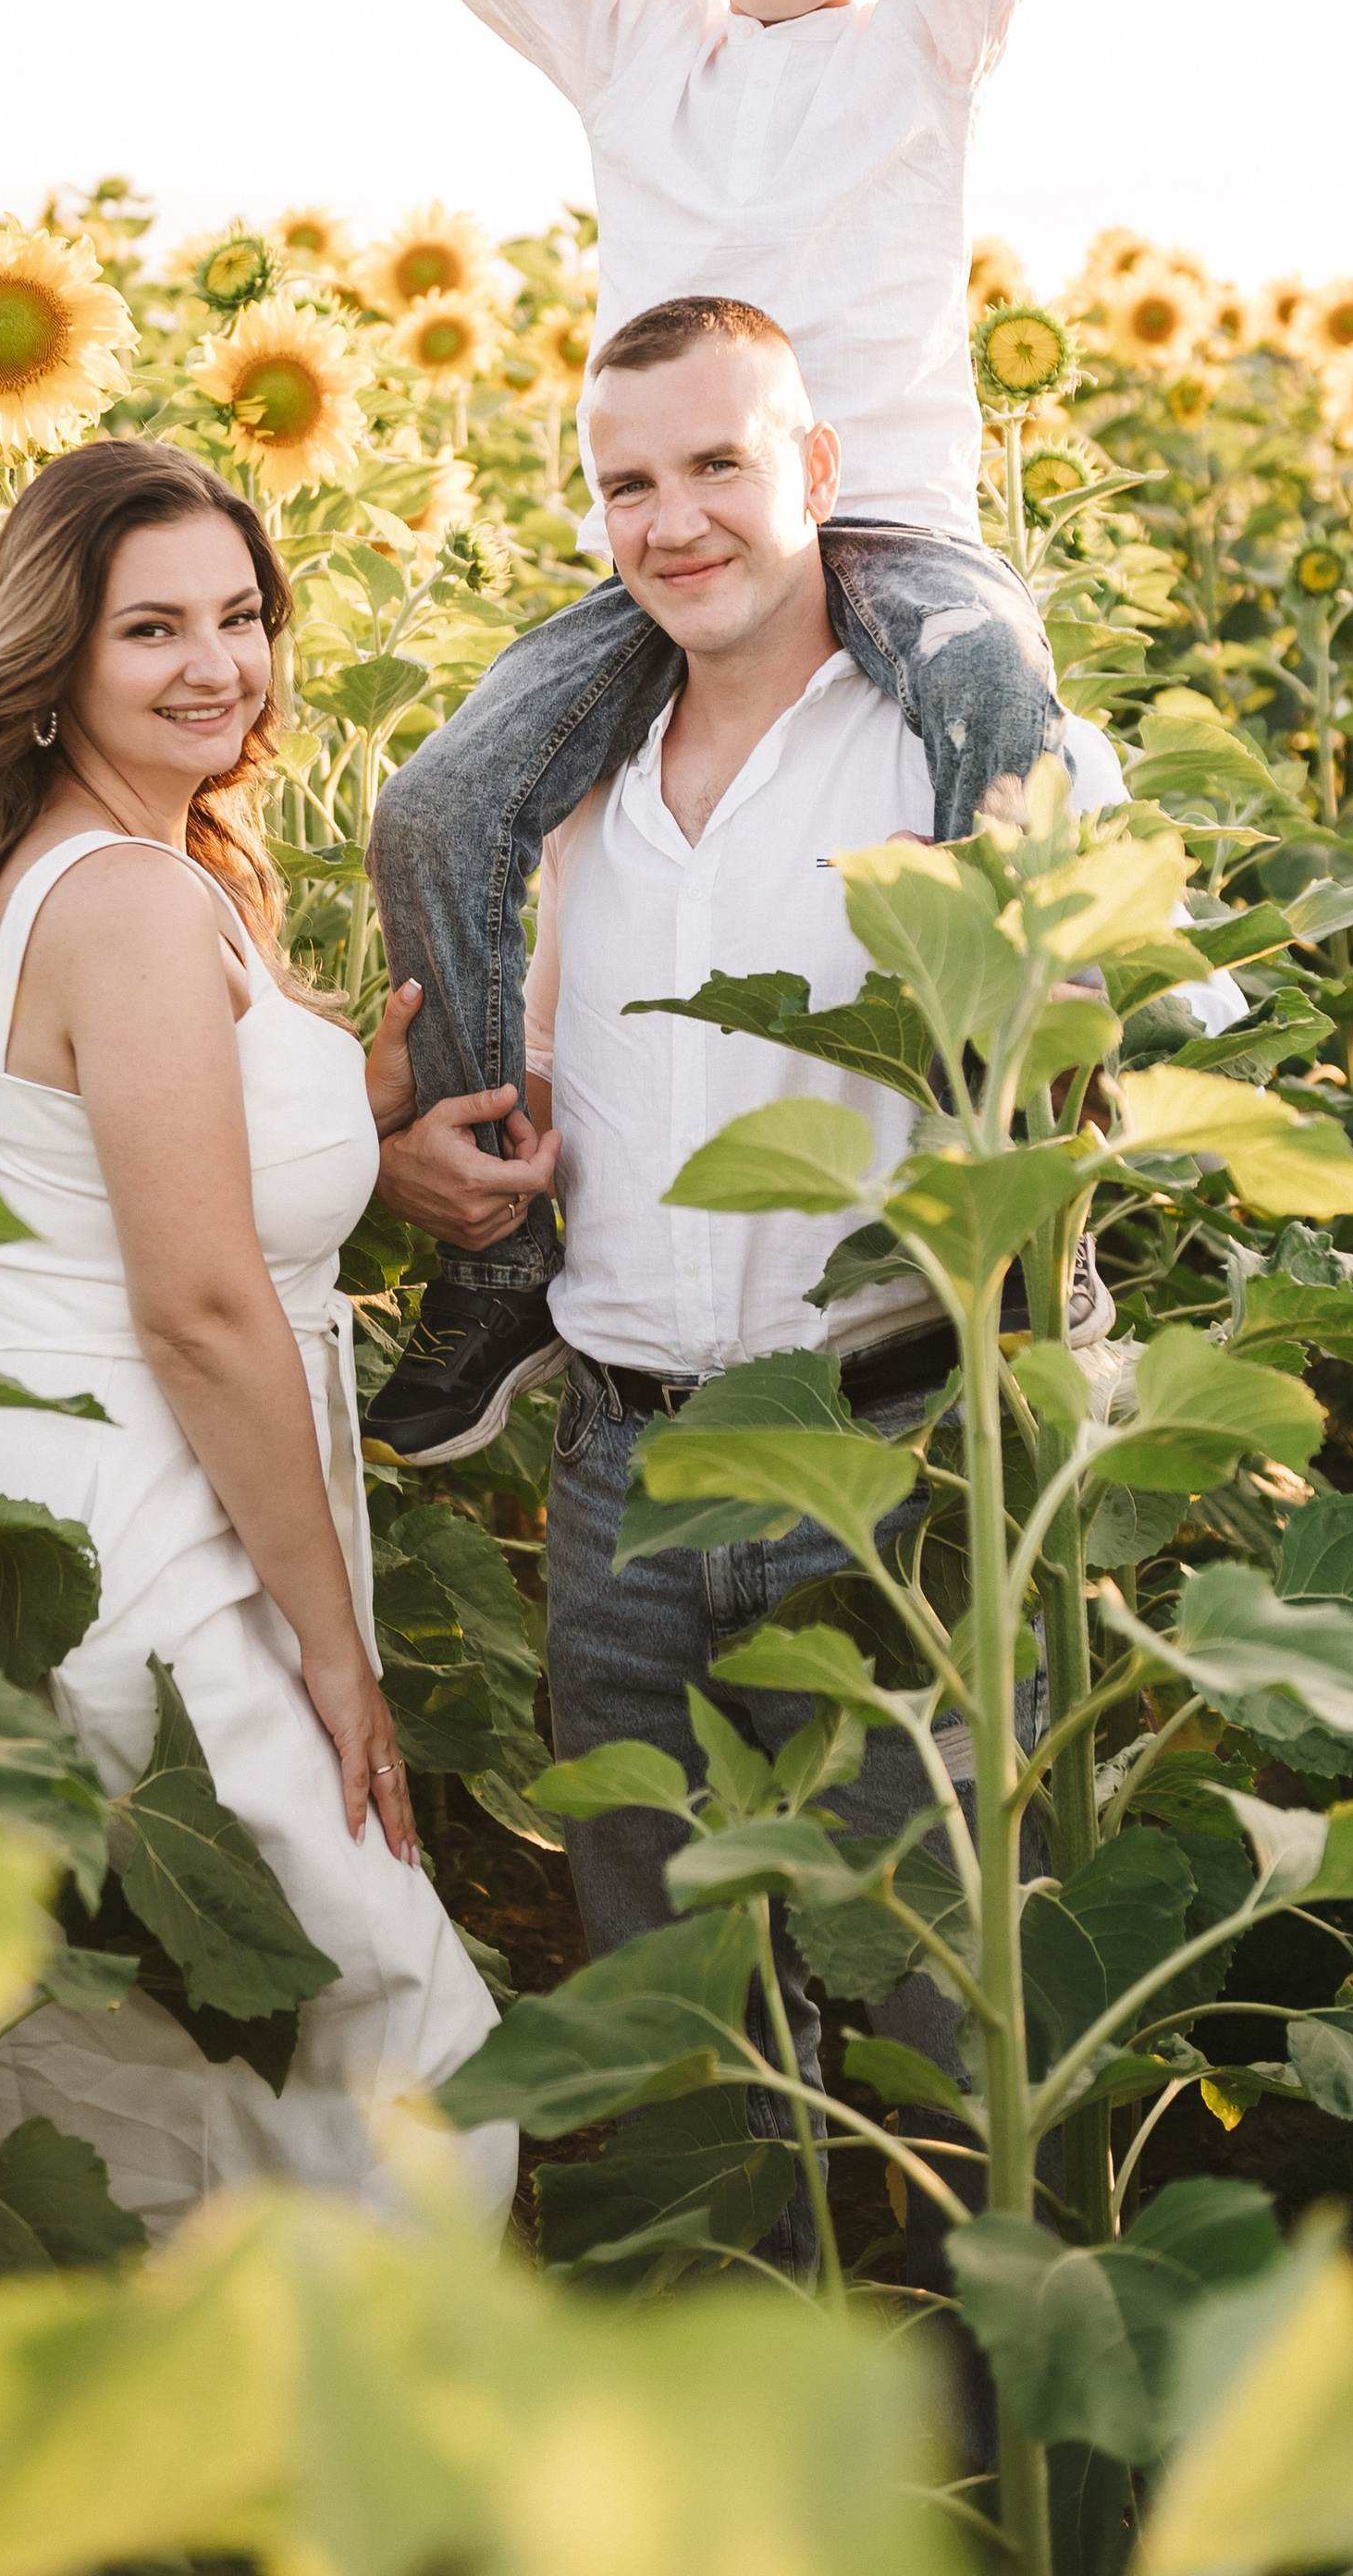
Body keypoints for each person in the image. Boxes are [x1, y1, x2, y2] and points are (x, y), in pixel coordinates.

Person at [242, 0, 1086, 1459]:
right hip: (664, 555)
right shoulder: (630, 48)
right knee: (437, 799)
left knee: (1002, 700)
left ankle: (1018, 1224)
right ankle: (506, 1267)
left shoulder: (921, 42)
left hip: (876, 530)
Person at [0, 435, 515, 2239]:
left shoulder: (120, 868)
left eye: (240, 615)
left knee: (175, 2039)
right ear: (54, 656)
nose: (216, 662)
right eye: (151, 626)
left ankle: (210, 2431)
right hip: (157, 1526)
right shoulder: (137, 904)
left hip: (65, 1492)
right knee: (387, 2020)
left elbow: (168, 1178)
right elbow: (203, 1303)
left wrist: (362, 1137)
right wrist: (333, 1654)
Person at [511, 295, 1054, 2281]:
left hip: (881, 1454)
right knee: (677, 2050)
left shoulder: (964, 735)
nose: (670, 519)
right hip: (626, 1478)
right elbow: (555, 1074)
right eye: (624, 482)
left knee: (930, 2032)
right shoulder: (579, 776)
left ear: (817, 471)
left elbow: (1079, 1030)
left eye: (715, 462)